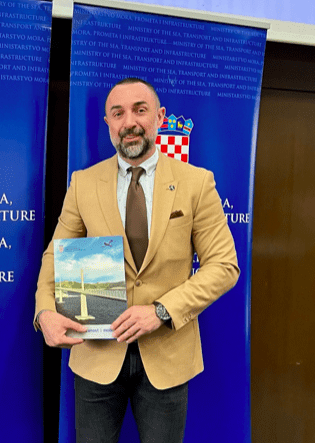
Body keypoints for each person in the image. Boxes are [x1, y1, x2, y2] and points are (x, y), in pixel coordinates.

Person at [34, 78, 240, 443]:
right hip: (96, 354)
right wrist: (45, 311)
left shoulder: (196, 183)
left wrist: (160, 311)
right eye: (118, 113)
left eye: (140, 110)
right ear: (108, 124)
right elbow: (56, 253)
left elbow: (223, 266)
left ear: (159, 117)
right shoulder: (83, 183)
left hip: (167, 356)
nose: (129, 122)